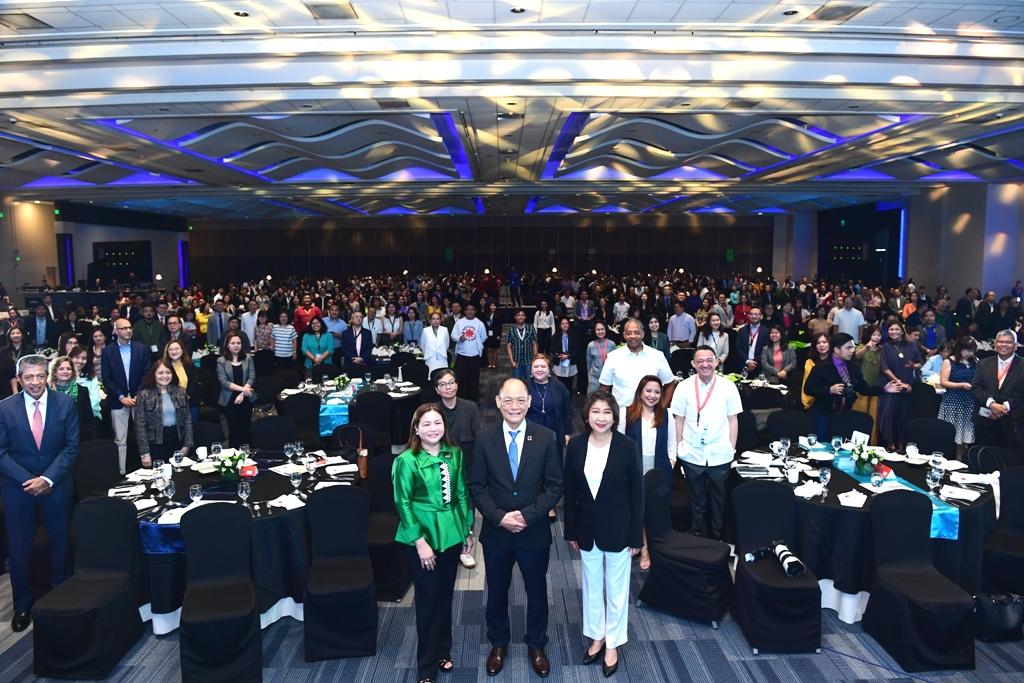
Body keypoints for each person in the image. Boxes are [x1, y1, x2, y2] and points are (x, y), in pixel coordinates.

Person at [469, 378, 564, 679]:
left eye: (520, 400)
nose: (514, 406)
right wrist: (498, 517)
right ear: (498, 402)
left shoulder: (546, 437)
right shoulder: (484, 438)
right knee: (497, 591)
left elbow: (555, 486)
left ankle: (537, 644)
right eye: (508, 400)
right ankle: (498, 643)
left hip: (533, 531)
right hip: (496, 533)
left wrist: (526, 515)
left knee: (537, 592)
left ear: (529, 403)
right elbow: (477, 486)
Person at [563, 391, 642, 678]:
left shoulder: (628, 447)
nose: (600, 417)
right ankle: (596, 636)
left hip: (619, 529)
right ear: (586, 416)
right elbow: (570, 492)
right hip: (586, 529)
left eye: (606, 412)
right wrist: (570, 529)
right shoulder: (576, 445)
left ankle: (613, 642)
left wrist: (637, 537)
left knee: (617, 589)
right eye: (595, 412)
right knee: (592, 585)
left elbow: (637, 496)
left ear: (614, 417)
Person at [393, 404, 474, 683]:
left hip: (451, 532)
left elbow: (462, 493)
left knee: (445, 596)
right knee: (427, 601)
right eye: (426, 424)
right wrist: (419, 542)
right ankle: (426, 667)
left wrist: (467, 530)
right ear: (416, 429)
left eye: (437, 423)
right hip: (421, 535)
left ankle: (443, 650)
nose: (433, 429)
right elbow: (402, 503)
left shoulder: (455, 454)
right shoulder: (407, 460)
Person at [0, 354, 79, 632]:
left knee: (60, 544)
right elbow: (1, 453)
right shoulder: (4, 408)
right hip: (17, 491)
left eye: (39, 376)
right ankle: (22, 604)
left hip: (56, 487)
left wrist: (47, 478)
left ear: (48, 376)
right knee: (20, 550)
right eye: (28, 377)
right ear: (19, 379)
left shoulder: (66, 404)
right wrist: (30, 481)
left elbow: (71, 447)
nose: (35, 382)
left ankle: (61, 597)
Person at [669, 346, 741, 540]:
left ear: (717, 362)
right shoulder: (683, 386)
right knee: (696, 499)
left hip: (720, 453)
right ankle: (696, 537)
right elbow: (679, 419)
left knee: (719, 499)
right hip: (692, 453)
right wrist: (679, 448)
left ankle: (717, 537)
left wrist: (731, 448)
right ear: (693, 364)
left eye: (709, 360)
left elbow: (733, 419)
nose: (705, 364)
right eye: (700, 361)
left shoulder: (728, 386)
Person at [620, 374, 676, 569]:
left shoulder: (666, 414)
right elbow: (620, 444)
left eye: (657, 392)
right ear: (640, 392)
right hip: (635, 468)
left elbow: (671, 443)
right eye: (648, 390)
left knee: (655, 510)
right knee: (638, 508)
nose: (652, 395)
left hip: (659, 469)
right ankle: (643, 548)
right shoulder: (627, 413)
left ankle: (654, 547)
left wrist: (670, 462)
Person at [806, 334, 896, 441]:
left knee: (841, 445)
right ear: (836, 349)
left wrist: (884, 389)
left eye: (853, 347)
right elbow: (808, 388)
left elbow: (863, 388)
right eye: (848, 348)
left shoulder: (853, 367)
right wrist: (830, 390)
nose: (852, 351)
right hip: (823, 414)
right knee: (823, 446)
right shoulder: (821, 366)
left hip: (844, 414)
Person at [102, 317, 151, 474]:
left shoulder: (141, 348)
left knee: (144, 435)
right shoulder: (107, 351)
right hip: (118, 400)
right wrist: (121, 397)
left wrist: (138, 394)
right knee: (120, 440)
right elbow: (106, 378)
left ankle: (148, 468)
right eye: (123, 328)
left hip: (139, 398)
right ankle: (121, 474)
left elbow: (147, 373)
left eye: (129, 327)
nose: (128, 330)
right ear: (115, 331)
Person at [598, 318, 676, 409]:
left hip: (650, 415)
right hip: (622, 416)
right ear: (624, 335)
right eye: (629, 333)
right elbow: (604, 388)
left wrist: (661, 409)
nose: (633, 336)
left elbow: (670, 383)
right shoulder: (613, 357)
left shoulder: (657, 356)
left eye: (636, 333)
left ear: (643, 334)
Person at [971, 329, 1024, 452]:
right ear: (995, 344)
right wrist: (992, 404)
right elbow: (976, 388)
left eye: (1008, 342)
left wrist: (1005, 407)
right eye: (1001, 342)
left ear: (1016, 346)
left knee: (1006, 461)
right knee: (982, 458)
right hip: (985, 420)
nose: (1004, 345)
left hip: (1012, 423)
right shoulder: (983, 364)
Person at [135, 359, 194, 466]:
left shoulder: (180, 392)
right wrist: (145, 453)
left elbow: (187, 420)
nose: (164, 376)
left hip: (178, 440)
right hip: (156, 444)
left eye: (168, 372)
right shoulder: (144, 395)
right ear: (154, 374)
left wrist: (187, 446)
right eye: (160, 373)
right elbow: (140, 426)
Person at [878, 322, 921, 450]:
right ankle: (890, 445)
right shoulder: (885, 347)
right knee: (889, 417)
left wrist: (914, 366)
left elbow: (920, 362)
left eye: (897, 329)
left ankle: (901, 446)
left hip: (908, 387)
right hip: (892, 386)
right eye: (891, 329)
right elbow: (884, 368)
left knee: (903, 418)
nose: (894, 331)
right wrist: (899, 382)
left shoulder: (912, 345)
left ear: (902, 331)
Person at [939, 336, 977, 457]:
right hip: (952, 401)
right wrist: (960, 385)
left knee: (965, 434)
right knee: (950, 433)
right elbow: (943, 382)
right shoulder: (949, 361)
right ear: (959, 348)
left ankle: (960, 460)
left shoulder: (975, 361)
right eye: (966, 350)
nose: (969, 353)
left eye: (971, 350)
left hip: (969, 402)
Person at [217, 331, 255, 447]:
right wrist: (243, 390)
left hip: (246, 398)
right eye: (232, 343)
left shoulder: (248, 358)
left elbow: (252, 376)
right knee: (233, 430)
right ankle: (234, 456)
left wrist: (243, 394)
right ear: (227, 345)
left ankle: (248, 455)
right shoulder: (221, 360)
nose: (236, 345)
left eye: (238, 343)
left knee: (246, 428)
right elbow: (223, 382)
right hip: (229, 398)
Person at [853, 325, 883, 443]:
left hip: (876, 388)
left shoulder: (882, 350)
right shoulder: (860, 347)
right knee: (859, 416)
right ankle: (855, 443)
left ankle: (872, 444)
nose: (876, 337)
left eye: (878, 335)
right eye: (874, 334)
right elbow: (856, 356)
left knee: (873, 418)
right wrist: (866, 347)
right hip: (861, 388)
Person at [452, 303, 486, 402]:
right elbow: (453, 335)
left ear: (475, 311)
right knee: (462, 377)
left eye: (472, 310)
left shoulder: (479, 323)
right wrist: (459, 338)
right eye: (468, 310)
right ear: (465, 311)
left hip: (475, 355)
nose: (470, 311)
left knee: (474, 377)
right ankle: (463, 396)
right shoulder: (459, 322)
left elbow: (484, 337)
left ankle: (473, 396)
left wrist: (477, 342)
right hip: (462, 355)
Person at [68, 345, 103, 438]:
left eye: (84, 358)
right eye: (77, 357)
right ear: (70, 358)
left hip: (88, 419)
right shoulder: (64, 376)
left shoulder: (91, 378)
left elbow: (94, 400)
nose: (80, 361)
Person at [505, 308, 538, 381]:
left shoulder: (531, 328)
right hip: (516, 362)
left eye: (522, 315)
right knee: (516, 383)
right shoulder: (511, 330)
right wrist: (512, 361)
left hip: (528, 361)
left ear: (525, 317)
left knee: (530, 382)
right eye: (518, 315)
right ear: (515, 317)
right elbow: (509, 346)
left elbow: (534, 344)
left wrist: (535, 359)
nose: (520, 317)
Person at [801, 332, 831, 411]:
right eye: (818, 343)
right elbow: (809, 386)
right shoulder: (810, 362)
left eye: (824, 342)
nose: (821, 345)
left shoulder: (836, 361)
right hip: (815, 403)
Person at [734, 306, 768, 376]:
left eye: (756, 314)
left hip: (759, 366)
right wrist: (748, 361)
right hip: (743, 364)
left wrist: (754, 362)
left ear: (761, 316)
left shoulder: (766, 331)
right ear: (748, 316)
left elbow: (766, 350)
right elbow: (738, 348)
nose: (754, 316)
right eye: (751, 314)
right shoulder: (742, 330)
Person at [550, 316, 579, 396]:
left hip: (570, 362)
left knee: (569, 385)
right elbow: (553, 348)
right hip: (560, 362)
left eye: (566, 323)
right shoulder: (556, 336)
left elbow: (576, 349)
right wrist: (560, 355)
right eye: (563, 323)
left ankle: (569, 402)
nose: (565, 325)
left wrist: (568, 356)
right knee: (560, 384)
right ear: (559, 325)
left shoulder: (573, 335)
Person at [0, 328, 32, 400]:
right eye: (13, 333)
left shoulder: (29, 348)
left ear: (22, 335)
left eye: (18, 333)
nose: (16, 335)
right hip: (7, 381)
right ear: (9, 336)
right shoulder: (3, 350)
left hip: (25, 378)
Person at [585, 320, 614, 394]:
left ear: (605, 330)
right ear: (594, 331)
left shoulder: (611, 344)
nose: (600, 331)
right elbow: (589, 363)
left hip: (608, 378)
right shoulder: (591, 345)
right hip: (594, 378)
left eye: (602, 329)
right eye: (598, 329)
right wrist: (589, 377)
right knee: (592, 400)